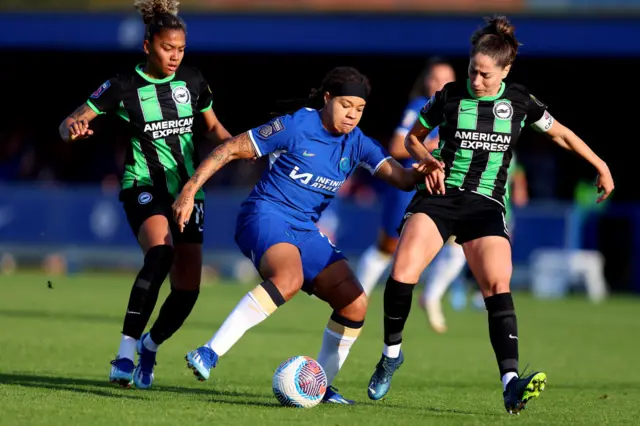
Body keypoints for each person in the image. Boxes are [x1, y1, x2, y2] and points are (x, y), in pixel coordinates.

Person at [366, 16, 614, 414]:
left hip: (486, 205)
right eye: (472, 70)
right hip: (440, 199)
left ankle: (511, 384)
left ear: (505, 70)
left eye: (484, 74)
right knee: (402, 272)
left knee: (498, 285)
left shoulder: (519, 101)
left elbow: (561, 134)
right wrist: (428, 160)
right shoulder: (448, 96)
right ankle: (391, 355)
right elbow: (412, 138)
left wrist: (600, 164)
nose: (476, 80)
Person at [171, 66, 442, 404]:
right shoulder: (297, 125)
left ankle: (320, 385)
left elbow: (401, 178)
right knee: (289, 277)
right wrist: (189, 190)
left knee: (355, 303)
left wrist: (429, 168)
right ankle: (210, 352)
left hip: (303, 229)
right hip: (264, 215)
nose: (352, 115)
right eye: (345, 105)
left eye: (359, 109)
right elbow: (228, 149)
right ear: (327, 98)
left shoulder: (357, 143)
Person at [58, 0, 231, 389]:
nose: (175, 56)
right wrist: (74, 130)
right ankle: (124, 353)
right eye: (168, 48)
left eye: (181, 49)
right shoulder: (121, 87)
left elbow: (214, 129)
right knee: (161, 252)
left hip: (189, 192)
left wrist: (247, 146)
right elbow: (67, 124)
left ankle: (149, 347)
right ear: (147, 45)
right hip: (144, 186)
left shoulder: (193, 81)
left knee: (187, 292)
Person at [356, 58, 456, 297]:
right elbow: (397, 146)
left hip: (442, 187)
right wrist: (436, 145)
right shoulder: (420, 106)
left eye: (445, 79)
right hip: (411, 186)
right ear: (426, 81)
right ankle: (355, 297)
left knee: (462, 239)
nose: (439, 84)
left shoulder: (459, 110)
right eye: (435, 78)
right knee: (387, 247)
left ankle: (432, 297)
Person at [422, 153, 529, 331]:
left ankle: (481, 298)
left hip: (500, 211)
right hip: (470, 205)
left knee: (496, 262)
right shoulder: (474, 136)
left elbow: (515, 171)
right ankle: (432, 295)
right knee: (455, 252)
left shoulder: (508, 142)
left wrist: (520, 185)